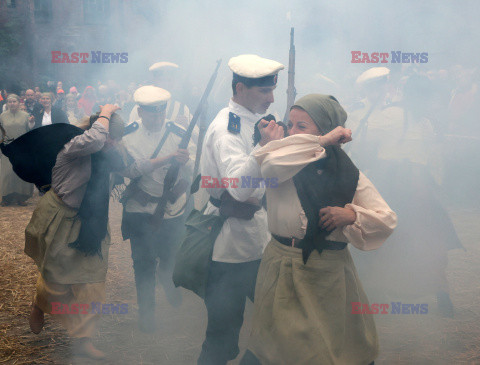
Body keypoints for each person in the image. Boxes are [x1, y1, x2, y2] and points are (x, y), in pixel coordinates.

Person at [240, 94, 397, 365]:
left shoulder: (347, 173)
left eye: (302, 126)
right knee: (276, 350)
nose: (291, 132)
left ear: (327, 130)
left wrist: (350, 214)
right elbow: (271, 168)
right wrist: (319, 142)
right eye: (290, 125)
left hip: (329, 276)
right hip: (283, 269)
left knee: (333, 350)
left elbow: (386, 219)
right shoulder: (280, 157)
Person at [347, 69, 463, 317]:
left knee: (385, 238)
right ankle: (439, 294)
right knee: (429, 241)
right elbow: (434, 163)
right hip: (416, 189)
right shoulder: (422, 122)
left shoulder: (396, 116)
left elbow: (359, 139)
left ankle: (381, 292)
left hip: (392, 188)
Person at [197, 54, 284, 365]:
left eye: (273, 90)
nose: (272, 98)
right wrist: (265, 146)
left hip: (258, 240)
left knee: (276, 325)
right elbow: (238, 186)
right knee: (222, 339)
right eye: (264, 91)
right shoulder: (227, 128)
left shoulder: (252, 120)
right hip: (231, 250)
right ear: (240, 88)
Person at [26, 104, 126, 359]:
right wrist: (106, 111)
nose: (113, 143)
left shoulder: (109, 154)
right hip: (62, 219)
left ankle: (83, 341)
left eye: (117, 138)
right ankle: (40, 303)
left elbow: (133, 169)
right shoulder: (75, 146)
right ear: (99, 129)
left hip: (91, 225)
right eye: (111, 136)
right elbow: (95, 140)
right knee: (56, 281)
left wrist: (169, 160)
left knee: (92, 284)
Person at [120, 85, 195, 332]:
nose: (158, 117)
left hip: (172, 209)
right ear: (140, 112)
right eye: (152, 112)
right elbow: (125, 171)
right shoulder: (128, 136)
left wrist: (187, 160)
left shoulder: (179, 133)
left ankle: (169, 282)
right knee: (142, 263)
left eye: (162, 112)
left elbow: (198, 168)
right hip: (139, 209)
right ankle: (147, 314)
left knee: (170, 258)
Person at [0, 94, 34, 206]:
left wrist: (31, 122)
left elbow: (30, 129)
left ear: (19, 102)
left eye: (14, 101)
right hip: (7, 147)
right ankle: (6, 198)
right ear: (7, 103)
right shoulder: (2, 116)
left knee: (20, 172)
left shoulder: (25, 115)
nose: (12, 104)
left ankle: (21, 197)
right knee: (7, 173)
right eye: (10, 102)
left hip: (22, 147)